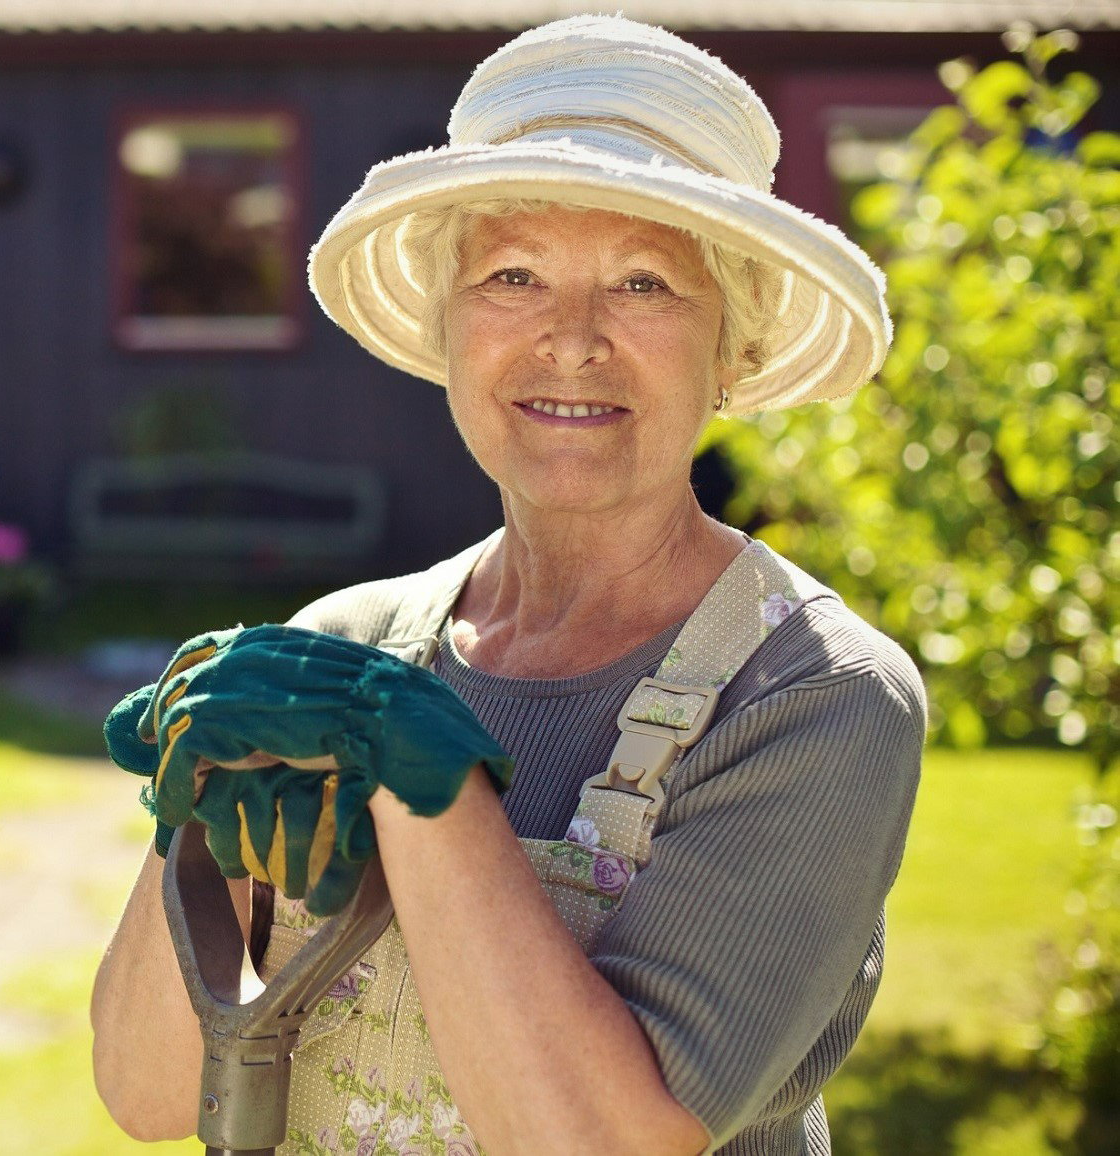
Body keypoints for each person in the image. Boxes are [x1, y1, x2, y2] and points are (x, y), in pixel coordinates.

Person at [89, 15, 926, 1156]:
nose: (571, 341)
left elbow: (605, 1141)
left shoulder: (814, 695)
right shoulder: (345, 644)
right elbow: (146, 1094)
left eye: (643, 283)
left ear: (733, 350)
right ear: (448, 326)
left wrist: (423, 787)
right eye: (513, 275)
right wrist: (197, 809)